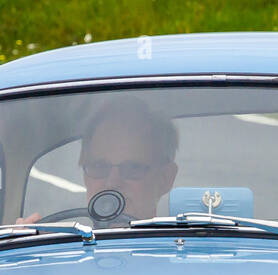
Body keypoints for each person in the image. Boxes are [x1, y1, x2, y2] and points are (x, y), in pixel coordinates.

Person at [20, 96, 178, 224]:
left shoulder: (183, 256)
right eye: (98, 167)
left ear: (165, 179)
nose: (112, 183)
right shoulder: (53, 250)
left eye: (132, 168)